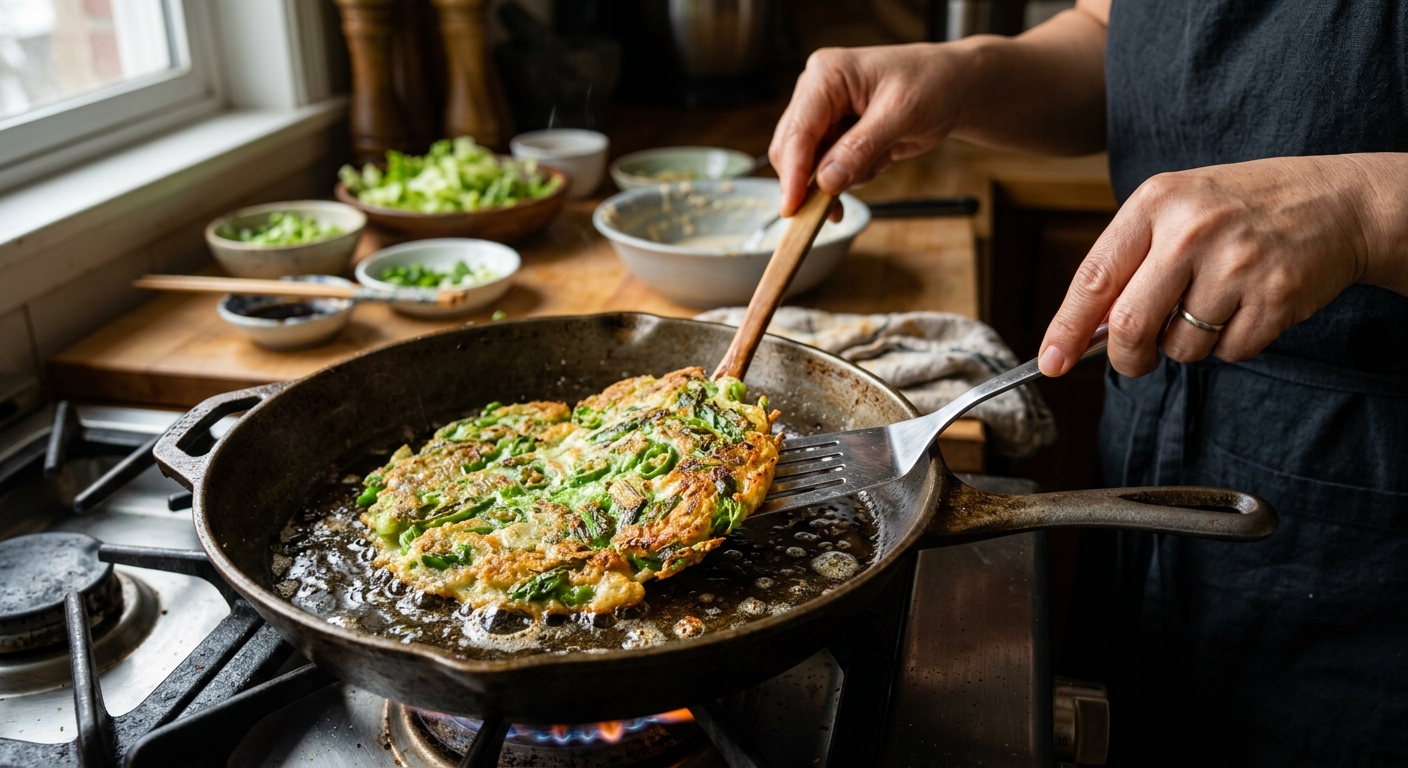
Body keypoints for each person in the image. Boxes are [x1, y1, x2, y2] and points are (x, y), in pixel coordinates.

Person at [767, 1, 1407, 765]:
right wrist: (964, 78)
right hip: (1152, 429)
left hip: (1370, 506)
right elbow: (1123, 40)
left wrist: (1364, 208)